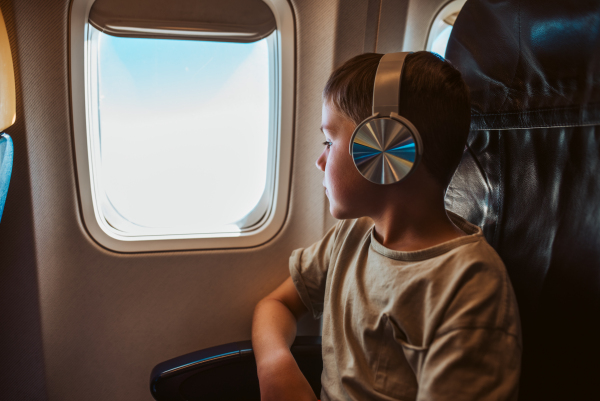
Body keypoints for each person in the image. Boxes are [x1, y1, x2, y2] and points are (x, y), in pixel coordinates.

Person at [251, 51, 522, 401]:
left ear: (386, 148)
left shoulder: (469, 286)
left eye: (329, 142)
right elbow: (277, 305)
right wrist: (275, 364)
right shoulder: (352, 237)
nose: (320, 161)